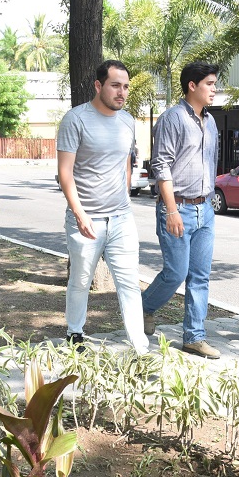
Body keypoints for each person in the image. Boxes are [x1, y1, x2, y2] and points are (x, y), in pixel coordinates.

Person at [56, 60, 149, 355]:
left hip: (121, 216)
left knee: (130, 283)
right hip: (87, 218)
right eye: (115, 86)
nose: (121, 93)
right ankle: (75, 332)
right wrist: (80, 213)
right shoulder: (76, 119)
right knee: (81, 280)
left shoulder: (128, 121)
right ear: (98, 86)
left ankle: (139, 345)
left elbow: (124, 161)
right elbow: (65, 173)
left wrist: (125, 195)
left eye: (125, 87)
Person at [142, 61, 220, 359]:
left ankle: (194, 337)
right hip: (178, 208)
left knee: (200, 276)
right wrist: (172, 210)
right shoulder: (171, 119)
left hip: (205, 209)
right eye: (209, 84)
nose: (214, 89)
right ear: (192, 85)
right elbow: (160, 164)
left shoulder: (210, 121)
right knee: (176, 273)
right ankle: (144, 306)